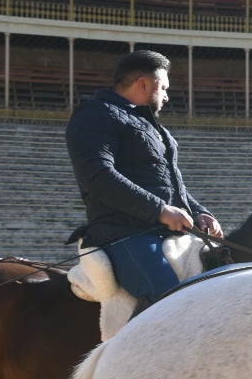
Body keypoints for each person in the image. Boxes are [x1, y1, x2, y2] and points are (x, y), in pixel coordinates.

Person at [66, 49, 222, 310]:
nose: (167, 96)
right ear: (144, 84)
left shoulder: (154, 127)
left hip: (159, 230)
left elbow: (171, 186)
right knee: (174, 301)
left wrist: (199, 212)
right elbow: (97, 176)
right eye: (164, 88)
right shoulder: (95, 114)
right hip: (124, 233)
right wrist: (160, 210)